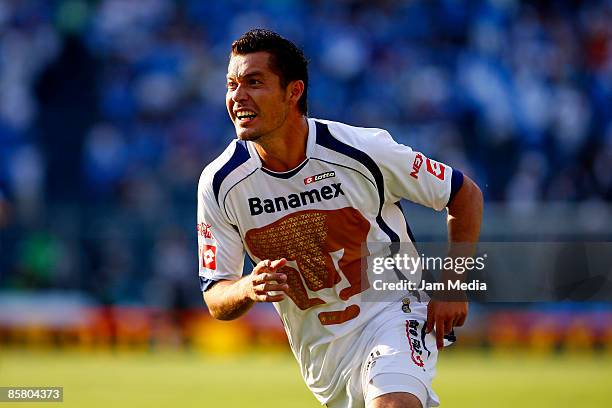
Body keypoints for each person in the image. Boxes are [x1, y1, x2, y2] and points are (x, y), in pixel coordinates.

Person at [198, 29, 483, 408]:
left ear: (293, 92)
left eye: (254, 82)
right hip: (321, 354)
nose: (238, 96)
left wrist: (452, 286)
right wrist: (249, 286)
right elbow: (216, 295)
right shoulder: (220, 183)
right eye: (232, 84)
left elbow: (465, 195)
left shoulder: (363, 150)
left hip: (394, 310)